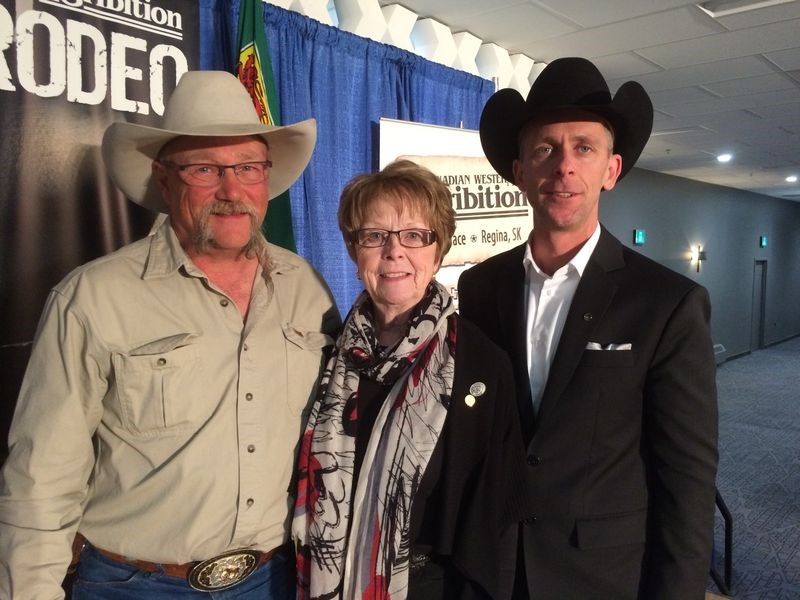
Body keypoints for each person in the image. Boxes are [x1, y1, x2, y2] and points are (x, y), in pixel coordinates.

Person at [0, 70, 341, 599]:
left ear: (265, 177)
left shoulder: (307, 288)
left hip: (275, 579)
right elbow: (41, 478)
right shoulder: (91, 298)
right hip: (136, 585)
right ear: (165, 180)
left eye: (247, 167)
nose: (232, 191)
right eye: (205, 169)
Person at [457, 57, 719, 599]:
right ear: (520, 170)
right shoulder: (479, 288)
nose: (564, 167)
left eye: (584, 147)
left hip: (602, 577)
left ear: (611, 169)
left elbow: (687, 483)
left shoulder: (668, 303)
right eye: (545, 149)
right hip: (492, 571)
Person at [292, 159, 528, 599]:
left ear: (438, 252)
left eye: (415, 236)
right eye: (375, 235)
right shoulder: (326, 354)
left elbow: (493, 519)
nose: (394, 251)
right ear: (353, 248)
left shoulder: (481, 365)